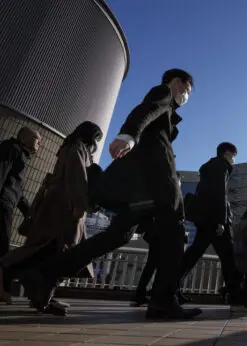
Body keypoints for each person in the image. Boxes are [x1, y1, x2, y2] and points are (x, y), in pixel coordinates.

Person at [19, 69, 202, 320]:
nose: (186, 96)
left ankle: (45, 274)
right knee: (173, 231)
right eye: (187, 89)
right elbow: (145, 111)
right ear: (177, 82)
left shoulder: (169, 113)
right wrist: (128, 136)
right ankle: (163, 300)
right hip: (154, 188)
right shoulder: (163, 94)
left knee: (116, 237)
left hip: (139, 192)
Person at [0, 122, 102, 311]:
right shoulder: (77, 148)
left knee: (50, 249)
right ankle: (13, 270)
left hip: (58, 205)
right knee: (58, 250)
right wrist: (80, 205)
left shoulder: (69, 147)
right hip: (65, 207)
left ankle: (43, 295)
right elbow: (77, 177)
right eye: (96, 138)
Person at [180, 142, 243, 309]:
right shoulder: (220, 167)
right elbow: (220, 195)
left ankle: (168, 289)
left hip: (205, 219)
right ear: (227, 154)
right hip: (215, 221)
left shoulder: (208, 168)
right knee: (228, 258)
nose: (234, 160)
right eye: (234, 156)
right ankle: (236, 297)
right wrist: (221, 221)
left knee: (193, 254)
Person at [131, 172, 186, 306]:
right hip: (163, 234)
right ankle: (155, 296)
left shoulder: (162, 192)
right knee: (163, 265)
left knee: (152, 264)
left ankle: (142, 294)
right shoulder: (171, 193)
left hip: (156, 233)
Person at [0, 127, 41, 259]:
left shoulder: (20, 154)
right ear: (23, 138)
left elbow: (16, 189)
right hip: (3, 203)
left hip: (7, 204)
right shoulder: (12, 148)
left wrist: (28, 212)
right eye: (36, 138)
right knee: (2, 246)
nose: (39, 143)